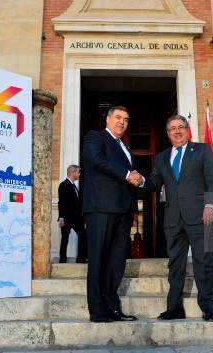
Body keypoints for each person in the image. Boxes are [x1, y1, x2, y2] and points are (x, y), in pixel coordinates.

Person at [139, 114, 213, 321]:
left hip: (202, 216)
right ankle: (174, 308)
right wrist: (140, 180)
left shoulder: (202, 150)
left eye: (180, 127)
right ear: (167, 134)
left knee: (205, 261)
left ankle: (207, 307)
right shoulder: (161, 157)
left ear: (186, 128)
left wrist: (210, 206)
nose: (177, 131)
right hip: (173, 219)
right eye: (172, 128)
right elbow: (155, 183)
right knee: (175, 265)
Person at [82, 106, 143, 323]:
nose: (122, 122)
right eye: (117, 117)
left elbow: (130, 181)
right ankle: (97, 311)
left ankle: (113, 307)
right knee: (99, 260)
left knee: (116, 262)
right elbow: (96, 159)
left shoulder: (125, 147)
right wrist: (128, 174)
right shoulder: (95, 137)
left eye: (126, 119)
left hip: (123, 211)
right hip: (101, 208)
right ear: (107, 119)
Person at [57, 164, 87, 264]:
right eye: (78, 172)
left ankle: (81, 259)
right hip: (66, 218)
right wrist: (61, 218)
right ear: (73, 172)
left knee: (83, 235)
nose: (79, 174)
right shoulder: (63, 185)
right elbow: (61, 202)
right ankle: (62, 260)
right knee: (65, 239)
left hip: (76, 219)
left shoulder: (74, 186)